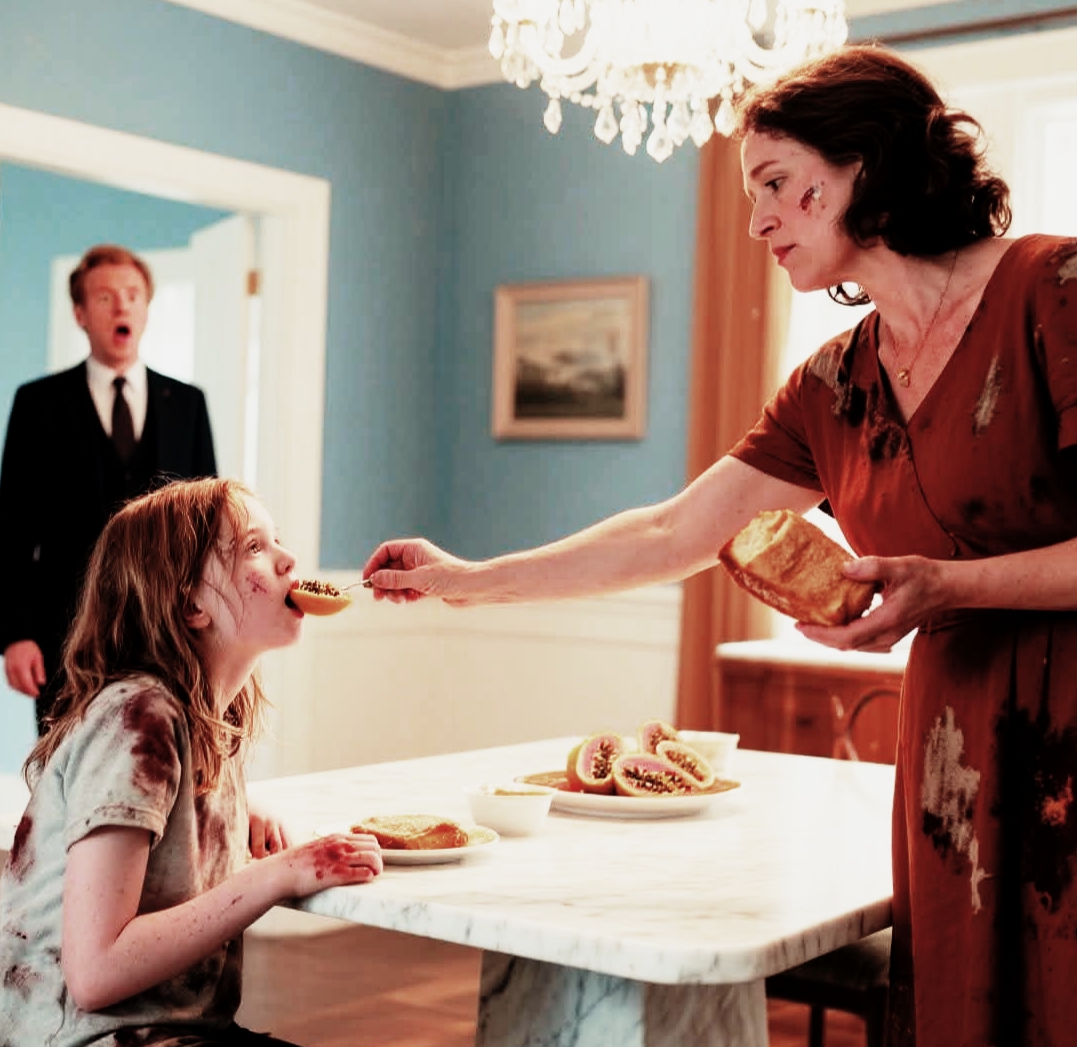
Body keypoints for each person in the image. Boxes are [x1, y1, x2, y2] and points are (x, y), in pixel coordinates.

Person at [359, 44, 1077, 1047]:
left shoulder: (1053, 288)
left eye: (776, 184)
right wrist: (465, 580)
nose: (757, 221)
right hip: (953, 757)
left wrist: (950, 585)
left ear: (861, 164)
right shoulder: (832, 383)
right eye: (751, 194)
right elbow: (673, 531)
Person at [0, 477, 383, 1046]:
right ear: (190, 604)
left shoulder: (201, 721)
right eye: (254, 547)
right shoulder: (139, 719)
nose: (288, 560)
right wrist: (278, 874)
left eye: (276, 540)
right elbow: (95, 973)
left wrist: (230, 810)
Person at [0, 243, 218, 732]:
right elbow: (12, 529)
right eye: (105, 297)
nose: (121, 307)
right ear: (80, 313)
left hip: (169, 632)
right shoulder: (38, 404)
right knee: (67, 763)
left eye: (133, 295)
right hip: (65, 636)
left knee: (164, 760)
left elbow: (209, 526)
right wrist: (15, 635)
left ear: (146, 310)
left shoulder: (188, 405)